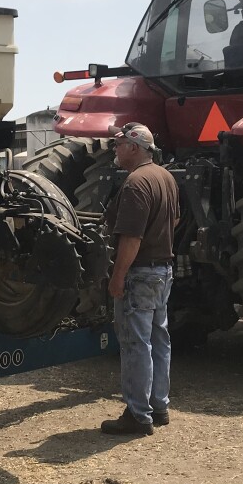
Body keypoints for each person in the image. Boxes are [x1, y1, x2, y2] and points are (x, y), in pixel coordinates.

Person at [100, 122, 179, 436]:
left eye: (119, 144)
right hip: (164, 272)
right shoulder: (166, 177)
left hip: (141, 273)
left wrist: (117, 277)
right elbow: (175, 218)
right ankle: (158, 406)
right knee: (159, 340)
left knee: (135, 344)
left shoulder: (135, 183)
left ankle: (137, 415)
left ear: (134, 147)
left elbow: (131, 238)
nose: (115, 150)